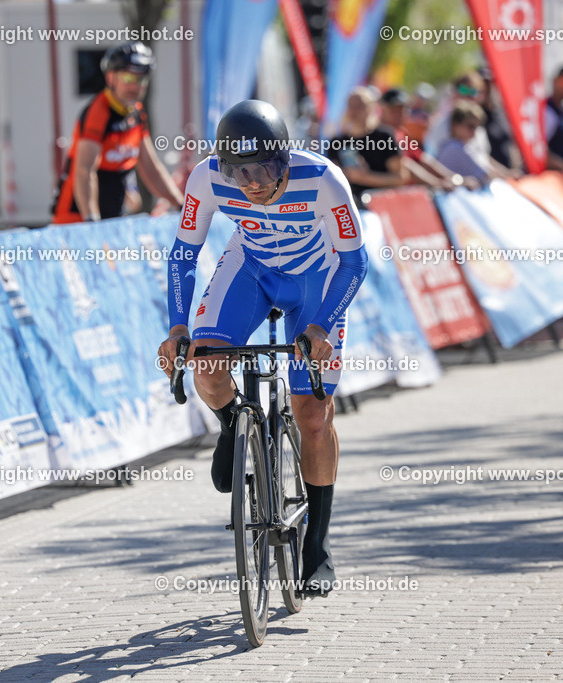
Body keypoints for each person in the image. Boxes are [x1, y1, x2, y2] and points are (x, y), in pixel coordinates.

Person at [157, 100, 369, 597]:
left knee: (312, 413)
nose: (252, 183)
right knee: (206, 367)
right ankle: (235, 420)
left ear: (286, 158)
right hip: (253, 270)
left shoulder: (323, 179)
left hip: (317, 280)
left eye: (265, 169)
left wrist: (320, 326)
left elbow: (355, 263)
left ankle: (316, 547)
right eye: (239, 172)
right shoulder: (206, 178)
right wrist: (176, 328)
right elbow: (183, 253)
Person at [52, 41, 183, 224]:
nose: (135, 86)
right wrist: (92, 221)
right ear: (111, 78)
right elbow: (85, 170)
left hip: (112, 218)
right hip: (77, 220)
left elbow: (151, 167)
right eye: (128, 78)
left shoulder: (136, 113)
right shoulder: (99, 112)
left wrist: (181, 205)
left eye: (141, 79)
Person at [326, 87, 408, 206]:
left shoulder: (384, 137)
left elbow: (400, 178)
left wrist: (365, 177)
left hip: (382, 206)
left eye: (359, 105)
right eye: (351, 106)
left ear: (371, 108)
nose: (354, 110)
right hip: (349, 207)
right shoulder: (337, 142)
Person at [377, 87, 461, 191]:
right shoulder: (376, 135)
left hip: (409, 192)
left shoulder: (400, 133)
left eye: (402, 109)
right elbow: (405, 164)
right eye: (394, 109)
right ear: (383, 109)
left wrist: (452, 178)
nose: (399, 114)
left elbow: (422, 159)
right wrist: (438, 184)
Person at [436, 102, 517, 187]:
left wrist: (508, 174)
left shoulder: (464, 145)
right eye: (470, 126)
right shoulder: (454, 147)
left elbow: (487, 162)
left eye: (476, 127)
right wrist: (509, 177)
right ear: (455, 125)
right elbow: (487, 175)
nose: (474, 131)